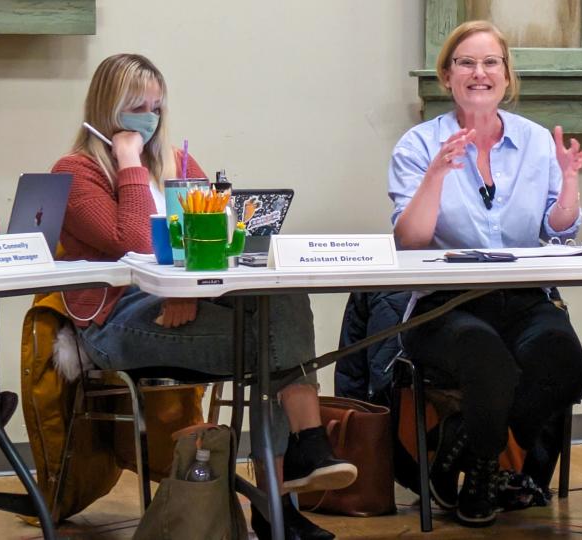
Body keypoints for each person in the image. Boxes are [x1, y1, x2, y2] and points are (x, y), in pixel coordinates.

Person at [52, 53, 355, 540]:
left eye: (156, 107)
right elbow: (136, 240)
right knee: (271, 346)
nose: (148, 119)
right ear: (107, 107)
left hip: (184, 310)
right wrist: (129, 162)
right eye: (135, 106)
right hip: (114, 324)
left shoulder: (178, 162)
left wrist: (196, 290)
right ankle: (290, 485)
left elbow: (215, 234)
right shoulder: (77, 172)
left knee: (283, 300)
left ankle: (295, 472)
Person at [388, 21, 582, 527]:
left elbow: (558, 232)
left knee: (563, 360)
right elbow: (408, 241)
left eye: (490, 63)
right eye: (466, 63)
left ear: (506, 75)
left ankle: (463, 443)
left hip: (522, 298)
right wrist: (435, 175)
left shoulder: (537, 140)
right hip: (444, 303)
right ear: (447, 76)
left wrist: (567, 187)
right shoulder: (418, 144)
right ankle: (481, 471)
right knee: (487, 358)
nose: (479, 73)